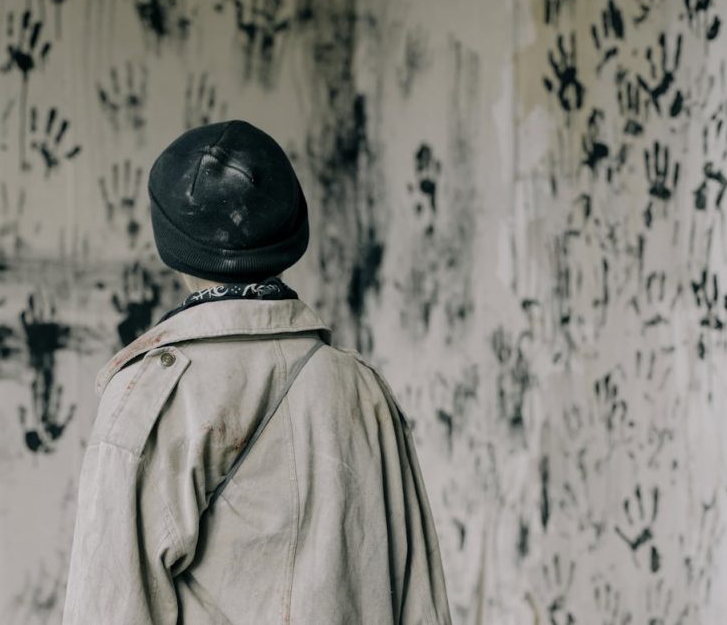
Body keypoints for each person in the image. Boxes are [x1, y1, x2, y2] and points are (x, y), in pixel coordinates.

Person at [62, 120, 452, 624]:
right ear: (293, 229)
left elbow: (106, 610)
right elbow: (422, 608)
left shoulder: (153, 396)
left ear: (171, 241)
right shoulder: (364, 393)